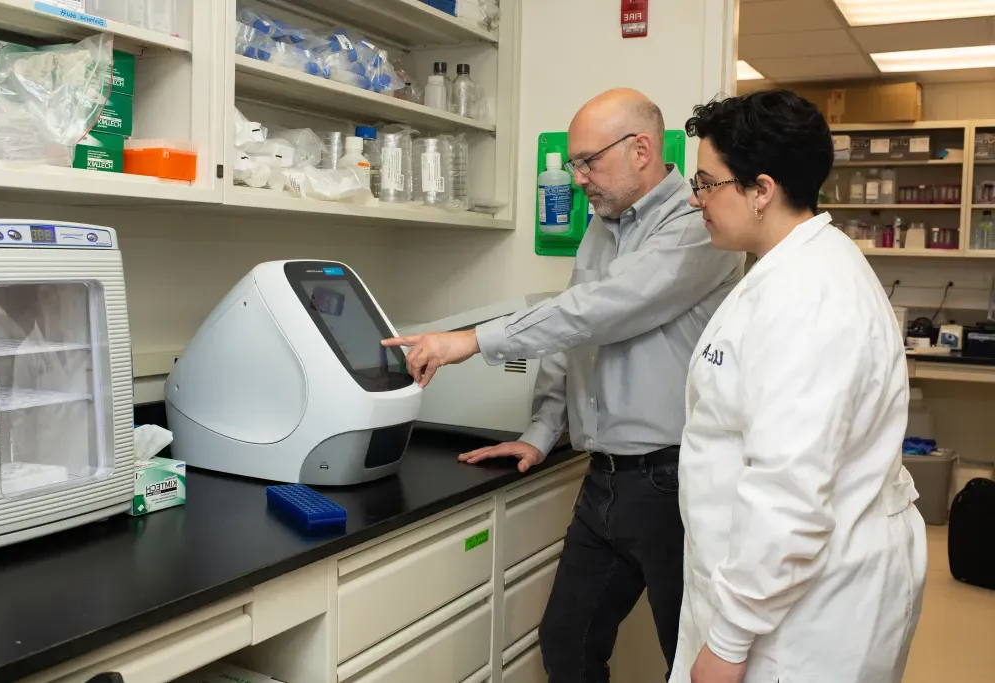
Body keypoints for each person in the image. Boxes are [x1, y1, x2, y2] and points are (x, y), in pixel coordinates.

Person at [382, 88, 744, 682]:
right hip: (602, 477)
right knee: (567, 643)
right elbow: (571, 324)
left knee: (690, 657)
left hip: (671, 482)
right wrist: (542, 430)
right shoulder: (603, 226)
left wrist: (472, 339)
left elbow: (605, 309)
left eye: (588, 162)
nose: (578, 179)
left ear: (641, 150)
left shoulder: (698, 225)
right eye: (574, 164)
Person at [674, 89, 927, 683]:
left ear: (761, 189)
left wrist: (731, 639)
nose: (696, 198)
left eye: (708, 183)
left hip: (804, 615)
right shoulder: (790, 270)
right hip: (778, 594)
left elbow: (789, 487)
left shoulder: (808, 299)